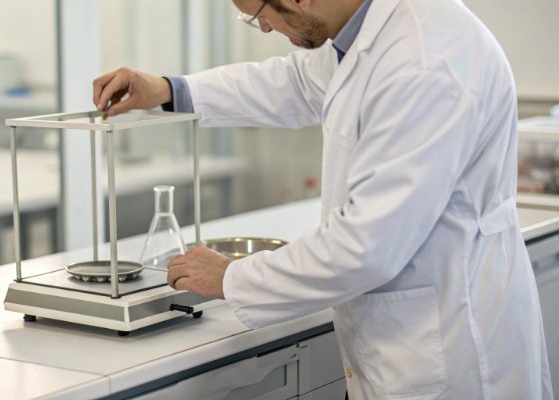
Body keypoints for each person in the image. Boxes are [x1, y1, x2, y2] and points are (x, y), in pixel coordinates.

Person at [93, 0, 553, 398]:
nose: (267, 28)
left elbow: (364, 248)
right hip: (405, 335)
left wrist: (233, 277)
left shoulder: (423, 65)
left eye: (259, 16)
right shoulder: (365, 30)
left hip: (450, 350)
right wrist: (172, 90)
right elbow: (292, 83)